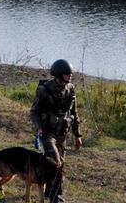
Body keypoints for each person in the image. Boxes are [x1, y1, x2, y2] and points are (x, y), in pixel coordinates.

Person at [29, 59, 83, 202]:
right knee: (55, 162)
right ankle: (56, 197)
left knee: (60, 165)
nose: (70, 76)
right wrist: (38, 127)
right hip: (47, 132)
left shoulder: (70, 89)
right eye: (67, 74)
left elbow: (74, 113)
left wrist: (77, 135)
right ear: (59, 75)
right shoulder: (44, 90)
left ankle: (50, 191)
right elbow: (33, 112)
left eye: (71, 74)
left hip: (61, 133)